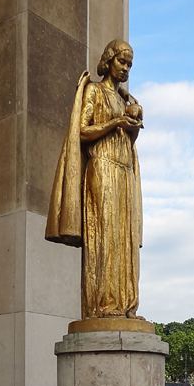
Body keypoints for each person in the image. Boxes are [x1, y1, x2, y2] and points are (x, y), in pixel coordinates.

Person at [45, 39, 144, 319]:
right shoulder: (94, 91)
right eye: (121, 61)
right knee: (105, 234)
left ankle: (125, 305)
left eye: (129, 65)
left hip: (124, 171)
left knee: (124, 237)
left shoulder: (125, 99)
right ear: (109, 60)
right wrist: (115, 122)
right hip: (102, 167)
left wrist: (133, 125)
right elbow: (82, 132)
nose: (125, 68)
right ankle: (103, 304)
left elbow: (129, 141)